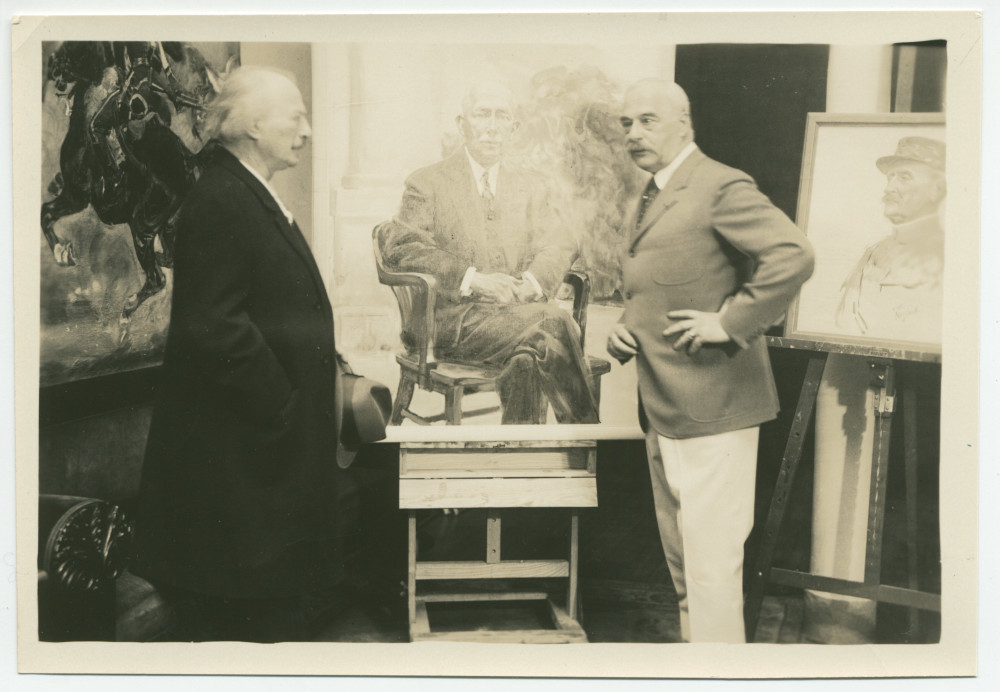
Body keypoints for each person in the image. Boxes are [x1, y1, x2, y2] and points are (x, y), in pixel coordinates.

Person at [131, 67, 343, 642]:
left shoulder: (245, 188)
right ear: (252, 124)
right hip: (246, 432)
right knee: (243, 617)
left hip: (262, 430)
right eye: (295, 117)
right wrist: (282, 401)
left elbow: (266, 304)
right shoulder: (224, 195)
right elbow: (216, 326)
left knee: (265, 602)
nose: (307, 131)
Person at [607, 79, 815, 643]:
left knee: (711, 572)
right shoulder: (649, 194)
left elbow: (792, 255)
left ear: (684, 123)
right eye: (626, 123)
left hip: (715, 403)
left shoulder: (720, 185)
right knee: (686, 572)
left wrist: (729, 324)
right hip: (664, 405)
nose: (634, 133)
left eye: (648, 120)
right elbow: (663, 287)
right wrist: (626, 330)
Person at [378, 81, 599, 424]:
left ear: (513, 128)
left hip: (518, 318)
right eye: (482, 115)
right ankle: (590, 438)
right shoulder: (427, 182)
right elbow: (404, 248)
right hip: (451, 324)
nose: (492, 128)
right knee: (553, 323)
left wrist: (534, 281)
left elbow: (560, 241)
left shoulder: (530, 185)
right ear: (461, 123)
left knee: (528, 357)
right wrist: (473, 279)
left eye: (502, 117)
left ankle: (516, 452)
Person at [836, 136, 945, 344]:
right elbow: (845, 324)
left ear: (937, 189)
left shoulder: (955, 256)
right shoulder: (875, 251)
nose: (889, 188)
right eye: (889, 178)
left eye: (904, 177)